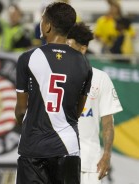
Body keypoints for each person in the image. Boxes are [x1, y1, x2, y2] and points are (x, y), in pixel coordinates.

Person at [15, 2, 92, 184]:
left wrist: (25, 123)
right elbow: (78, 110)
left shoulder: (28, 58)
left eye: (42, 20)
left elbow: (20, 110)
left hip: (33, 147)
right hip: (68, 147)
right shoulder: (84, 63)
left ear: (48, 26)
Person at [67, 22, 123, 184]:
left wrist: (106, 154)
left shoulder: (100, 78)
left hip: (89, 162)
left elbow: (107, 122)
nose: (65, 51)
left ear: (83, 49)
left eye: (69, 46)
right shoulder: (55, 78)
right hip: (59, 160)